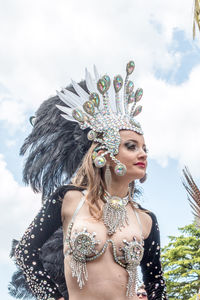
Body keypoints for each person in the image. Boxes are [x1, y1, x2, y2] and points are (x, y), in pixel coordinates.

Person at [9, 61, 168, 300]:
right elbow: (25, 252)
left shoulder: (146, 220)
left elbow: (155, 280)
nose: (143, 154)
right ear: (104, 155)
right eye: (131, 146)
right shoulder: (68, 199)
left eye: (145, 148)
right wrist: (53, 297)